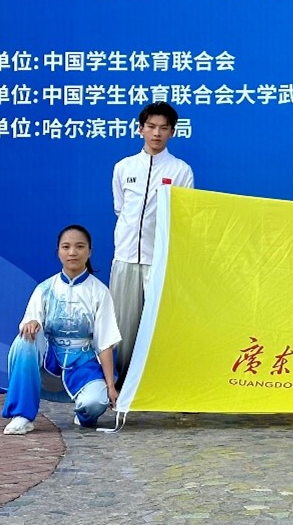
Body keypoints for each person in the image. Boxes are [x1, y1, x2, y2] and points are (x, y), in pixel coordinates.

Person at [2, 225, 121, 434]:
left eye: (79, 247)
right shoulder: (44, 289)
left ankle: (84, 415)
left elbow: (104, 343)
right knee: (25, 340)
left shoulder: (100, 292)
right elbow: (30, 322)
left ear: (89, 251)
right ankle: (22, 415)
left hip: (83, 363)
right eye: (66, 247)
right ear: (58, 251)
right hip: (49, 362)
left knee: (95, 403)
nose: (72, 252)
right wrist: (32, 323)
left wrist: (111, 386)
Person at [111, 102, 193, 386]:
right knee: (122, 325)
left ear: (172, 132)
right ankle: (120, 384)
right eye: (151, 127)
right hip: (125, 257)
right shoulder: (124, 167)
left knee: (159, 323)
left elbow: (182, 218)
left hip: (159, 260)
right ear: (140, 129)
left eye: (163, 128)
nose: (157, 133)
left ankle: (157, 383)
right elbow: (121, 209)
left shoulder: (181, 170)